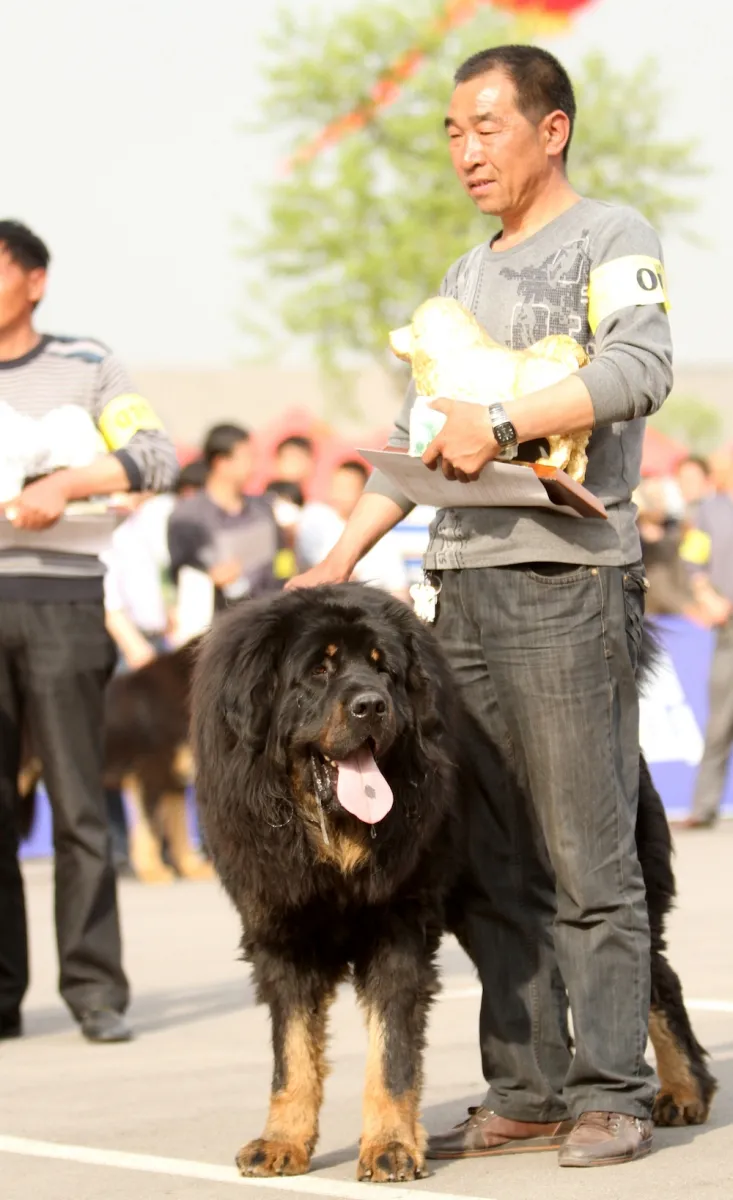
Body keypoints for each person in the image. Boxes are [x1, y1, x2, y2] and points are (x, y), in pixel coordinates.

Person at [290, 45, 673, 1167]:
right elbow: (420, 442)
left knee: (588, 856)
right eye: (452, 132)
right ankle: (527, 1084)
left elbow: (639, 368)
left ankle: (612, 1087)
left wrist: (502, 426)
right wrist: (337, 559)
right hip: (456, 591)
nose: (466, 151)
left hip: (568, 585)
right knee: (489, 860)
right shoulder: (458, 282)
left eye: (486, 127)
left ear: (550, 130)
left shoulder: (613, 236)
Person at [0, 219, 178, 1043]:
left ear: (35, 281)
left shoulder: (88, 365)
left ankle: (95, 991)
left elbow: (154, 455)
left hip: (66, 603)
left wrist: (66, 484)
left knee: (77, 799)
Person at [167, 423, 282, 614]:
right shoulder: (188, 515)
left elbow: (280, 562)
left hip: (266, 616)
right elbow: (178, 575)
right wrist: (210, 578)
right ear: (221, 462)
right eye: (247, 457)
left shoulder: (263, 510)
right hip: (216, 621)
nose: (253, 465)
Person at [678, 457, 733, 828]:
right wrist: (705, 594)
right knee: (719, 724)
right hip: (728, 629)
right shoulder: (712, 511)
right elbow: (692, 560)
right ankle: (703, 807)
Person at [296, 460, 409, 601]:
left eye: (347, 488)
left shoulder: (385, 537)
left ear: (365, 492)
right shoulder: (312, 521)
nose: (340, 494)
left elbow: (398, 588)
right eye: (336, 486)